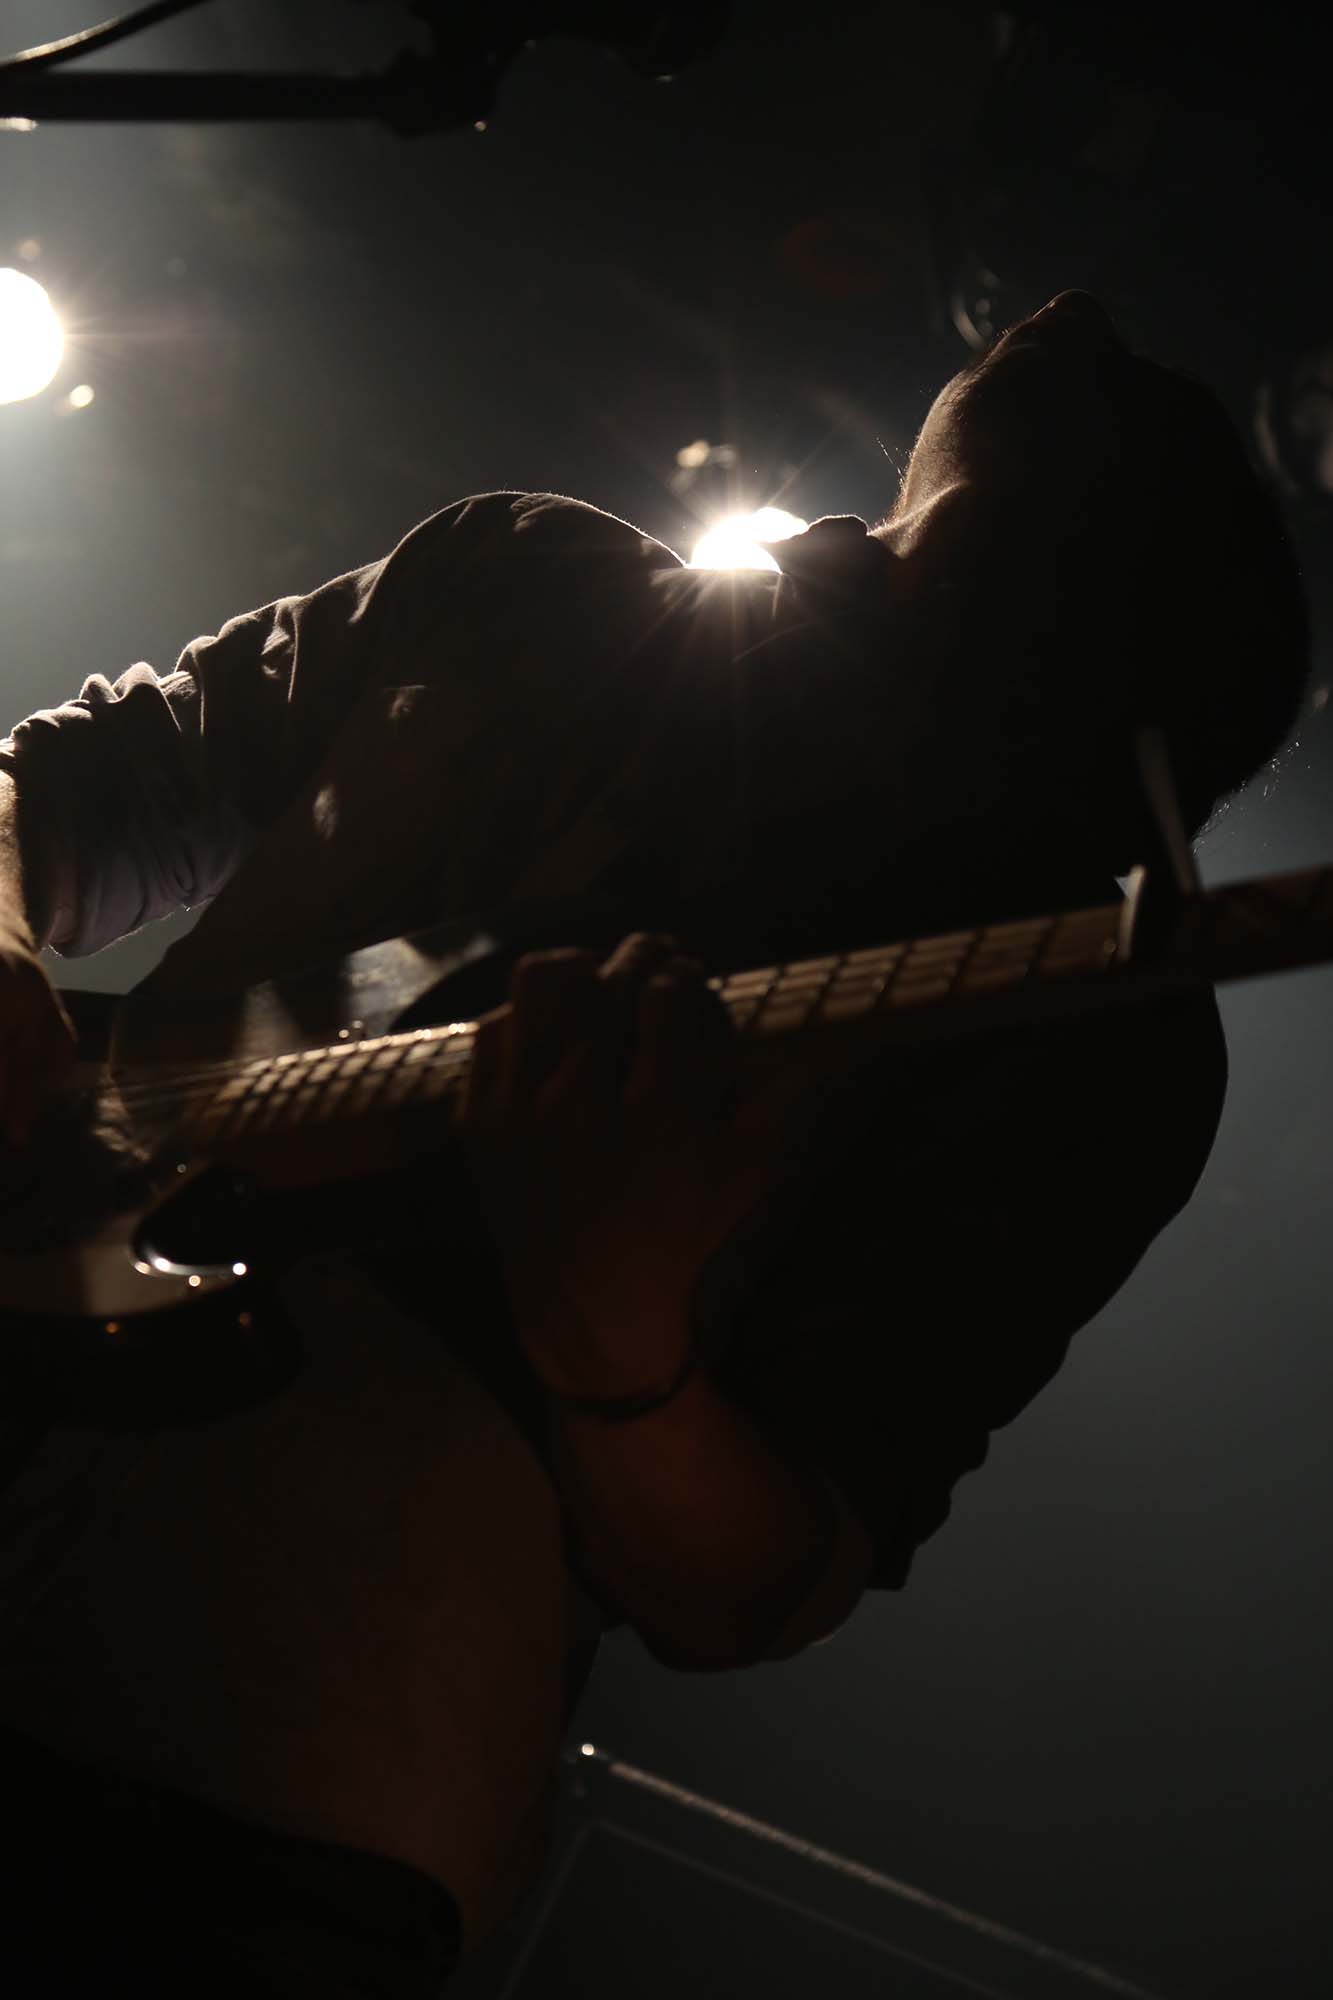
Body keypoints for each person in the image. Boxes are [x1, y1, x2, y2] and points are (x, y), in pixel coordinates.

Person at [0, 290, 1311, 1994]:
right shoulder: (528, 575)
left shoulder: (1092, 1032)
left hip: (255, 1769)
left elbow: (755, 1588)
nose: (1082, 313)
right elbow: (57, 789)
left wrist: (613, 1343)